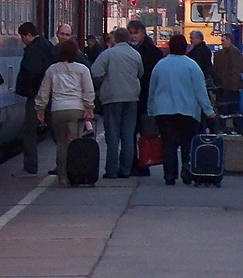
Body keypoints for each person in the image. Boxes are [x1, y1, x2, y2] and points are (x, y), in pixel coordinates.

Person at [149, 34, 216, 185]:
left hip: (163, 111)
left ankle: (169, 175)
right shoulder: (192, 66)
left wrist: (150, 109)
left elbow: (152, 90)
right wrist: (208, 110)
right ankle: (187, 168)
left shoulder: (160, 65)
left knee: (168, 143)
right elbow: (200, 91)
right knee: (187, 142)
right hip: (188, 111)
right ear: (186, 47)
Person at [35, 39, 95, 186]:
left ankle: (62, 177)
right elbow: (88, 90)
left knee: (61, 144)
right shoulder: (82, 70)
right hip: (76, 110)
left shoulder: (52, 70)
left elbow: (44, 92)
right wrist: (89, 107)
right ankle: (75, 173)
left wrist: (40, 108)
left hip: (57, 110)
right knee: (74, 143)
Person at [91, 27, 144, 179]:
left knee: (112, 136)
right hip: (131, 97)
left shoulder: (108, 54)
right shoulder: (135, 54)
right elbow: (140, 73)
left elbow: (95, 71)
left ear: (116, 39)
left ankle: (112, 170)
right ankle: (126, 170)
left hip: (112, 98)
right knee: (128, 135)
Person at [13, 21, 58, 177]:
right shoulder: (48, 45)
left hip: (36, 96)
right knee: (56, 131)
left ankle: (30, 167)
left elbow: (32, 72)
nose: (22, 40)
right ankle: (64, 163)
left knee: (29, 131)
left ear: (28, 35)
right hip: (52, 95)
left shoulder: (33, 50)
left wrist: (29, 90)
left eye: (22, 37)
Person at [127, 20, 164, 176]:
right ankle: (140, 162)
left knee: (140, 131)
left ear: (143, 33)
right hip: (139, 95)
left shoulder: (149, 52)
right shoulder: (151, 51)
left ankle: (141, 161)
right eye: (131, 33)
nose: (133, 36)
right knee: (137, 131)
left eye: (136, 32)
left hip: (142, 96)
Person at [212, 33, 243, 133]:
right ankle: (230, 128)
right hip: (224, 86)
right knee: (227, 109)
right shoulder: (220, 54)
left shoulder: (234, 53)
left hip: (229, 87)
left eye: (223, 40)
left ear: (229, 40)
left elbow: (236, 70)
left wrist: (234, 85)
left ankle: (236, 128)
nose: (222, 43)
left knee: (231, 109)